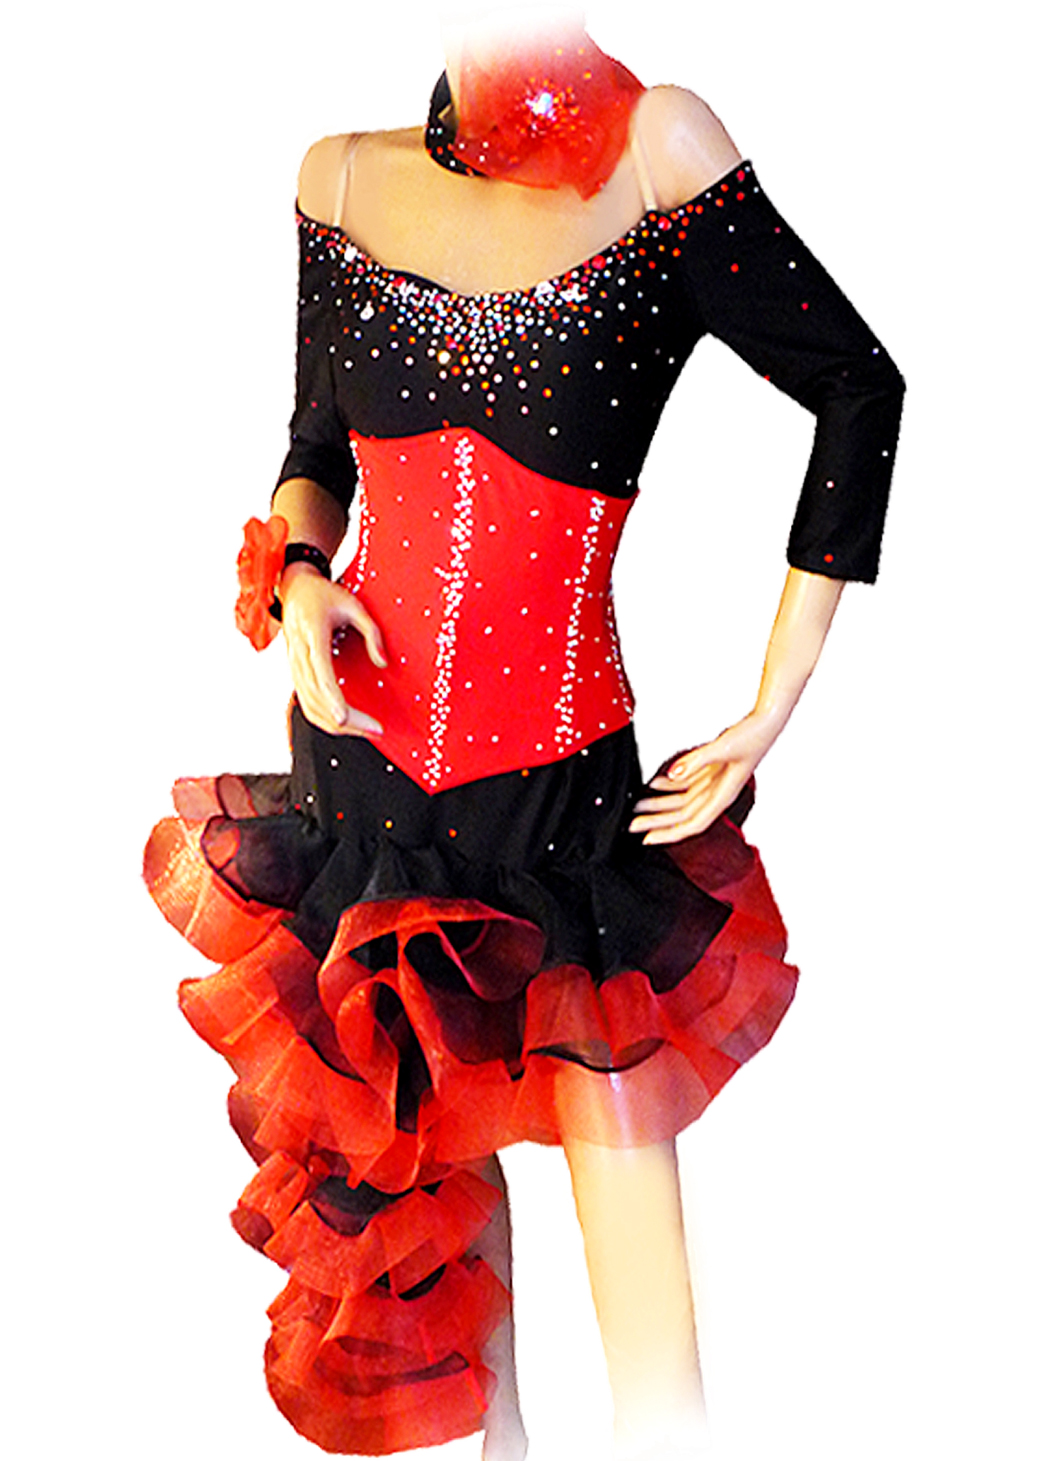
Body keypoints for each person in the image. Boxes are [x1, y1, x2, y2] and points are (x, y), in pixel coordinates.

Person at [145, 9, 903, 1459]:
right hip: (359, 788)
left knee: (657, 1371)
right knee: (455, 1282)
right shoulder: (339, 176)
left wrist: (774, 699)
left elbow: (859, 383)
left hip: (562, 800)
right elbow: (313, 450)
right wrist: (296, 573)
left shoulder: (658, 151)